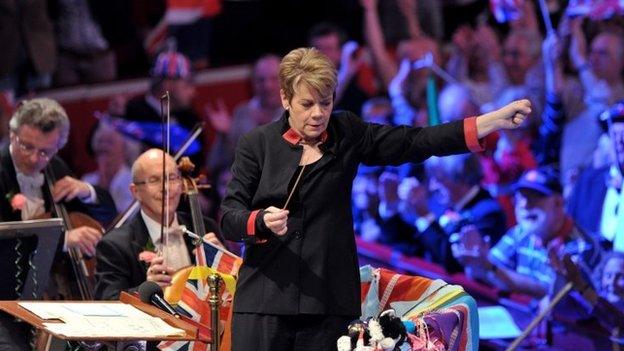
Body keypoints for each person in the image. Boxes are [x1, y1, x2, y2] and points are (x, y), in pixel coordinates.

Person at [220, 47, 531, 350]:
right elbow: (228, 218)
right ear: (285, 99)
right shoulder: (256, 144)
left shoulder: (346, 133)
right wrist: (259, 221)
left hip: (329, 303)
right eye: (307, 104)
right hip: (265, 303)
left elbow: (416, 141)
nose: (318, 114)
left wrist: (490, 121)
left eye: (325, 103)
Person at [0, 98, 116, 351]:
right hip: (5, 299)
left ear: (58, 148)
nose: (33, 159)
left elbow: (108, 211)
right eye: (25, 146)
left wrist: (86, 190)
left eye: (45, 152)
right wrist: (63, 240)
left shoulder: (56, 168)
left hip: (55, 293)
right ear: (12, 133)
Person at [94, 148, 223, 300]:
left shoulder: (206, 228)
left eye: (172, 178)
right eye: (154, 180)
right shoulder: (114, 245)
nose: (166, 189)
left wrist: (226, 265)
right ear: (136, 192)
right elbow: (108, 302)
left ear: (181, 184)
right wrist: (144, 291)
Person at [453, 167, 601, 298]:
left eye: (534, 198)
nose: (524, 205)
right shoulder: (521, 232)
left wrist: (487, 266)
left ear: (558, 203)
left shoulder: (580, 246)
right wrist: (474, 262)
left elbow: (550, 293)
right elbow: (489, 270)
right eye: (520, 197)